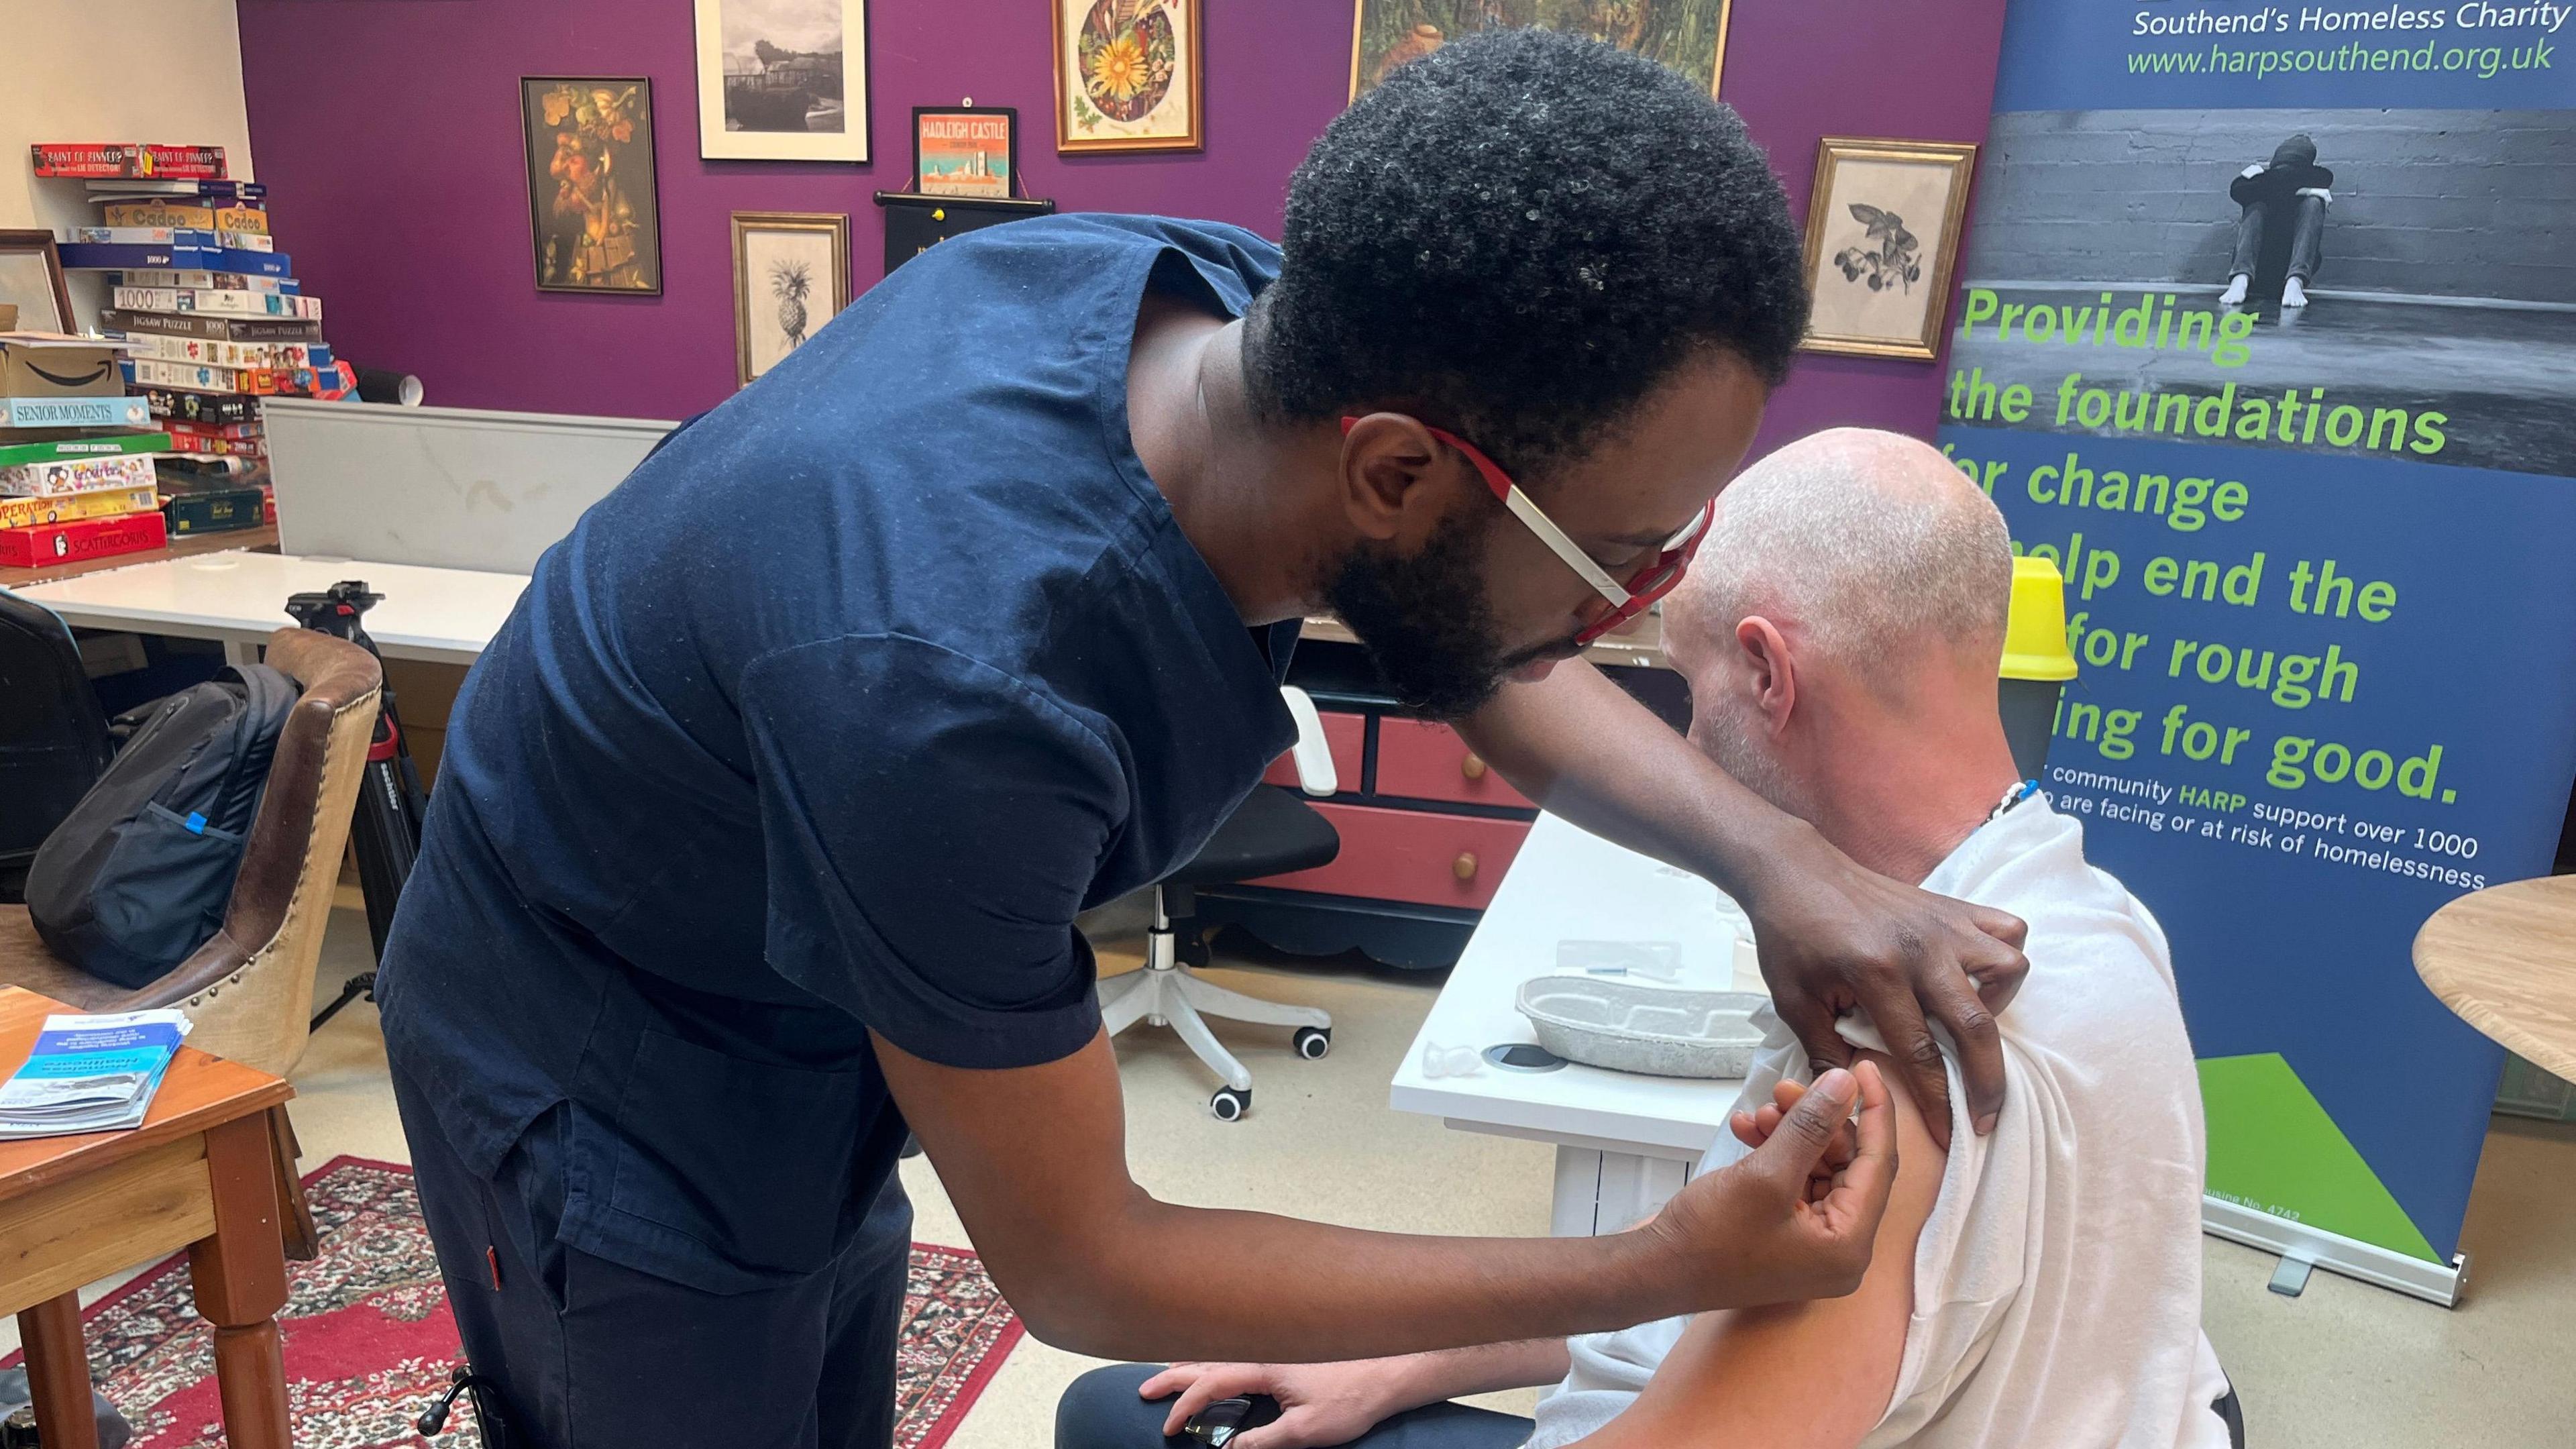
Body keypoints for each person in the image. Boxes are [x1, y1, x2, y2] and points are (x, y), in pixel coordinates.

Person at [378, 33, 2029, 1449]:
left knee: (821, 1337)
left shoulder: (1236, 319)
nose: (1641, 606)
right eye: (1628, 555)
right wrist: (1663, 1264)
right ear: (1391, 470)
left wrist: (1779, 862)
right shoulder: (954, 689)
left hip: (806, 978)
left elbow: (1464, 630)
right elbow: (1086, 1262)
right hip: (597, 1040)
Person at [1068, 429, 2234, 1449]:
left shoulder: (1906, 1062)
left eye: (1690, 685)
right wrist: (1406, 1361)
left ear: (1770, 672)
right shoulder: (2099, 921)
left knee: (1110, 1416)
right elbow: (1722, 1293)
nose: (1689, 735)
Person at [2218, 133, 2332, 310]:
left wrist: (2307, 193)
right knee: (2256, 204)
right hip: (2256, 270)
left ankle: (2296, 282)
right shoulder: (2260, 183)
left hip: (2289, 272)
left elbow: (2323, 180)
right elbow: (2237, 189)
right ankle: (2240, 278)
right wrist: (2304, 189)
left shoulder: (2301, 190)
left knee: (2314, 204)